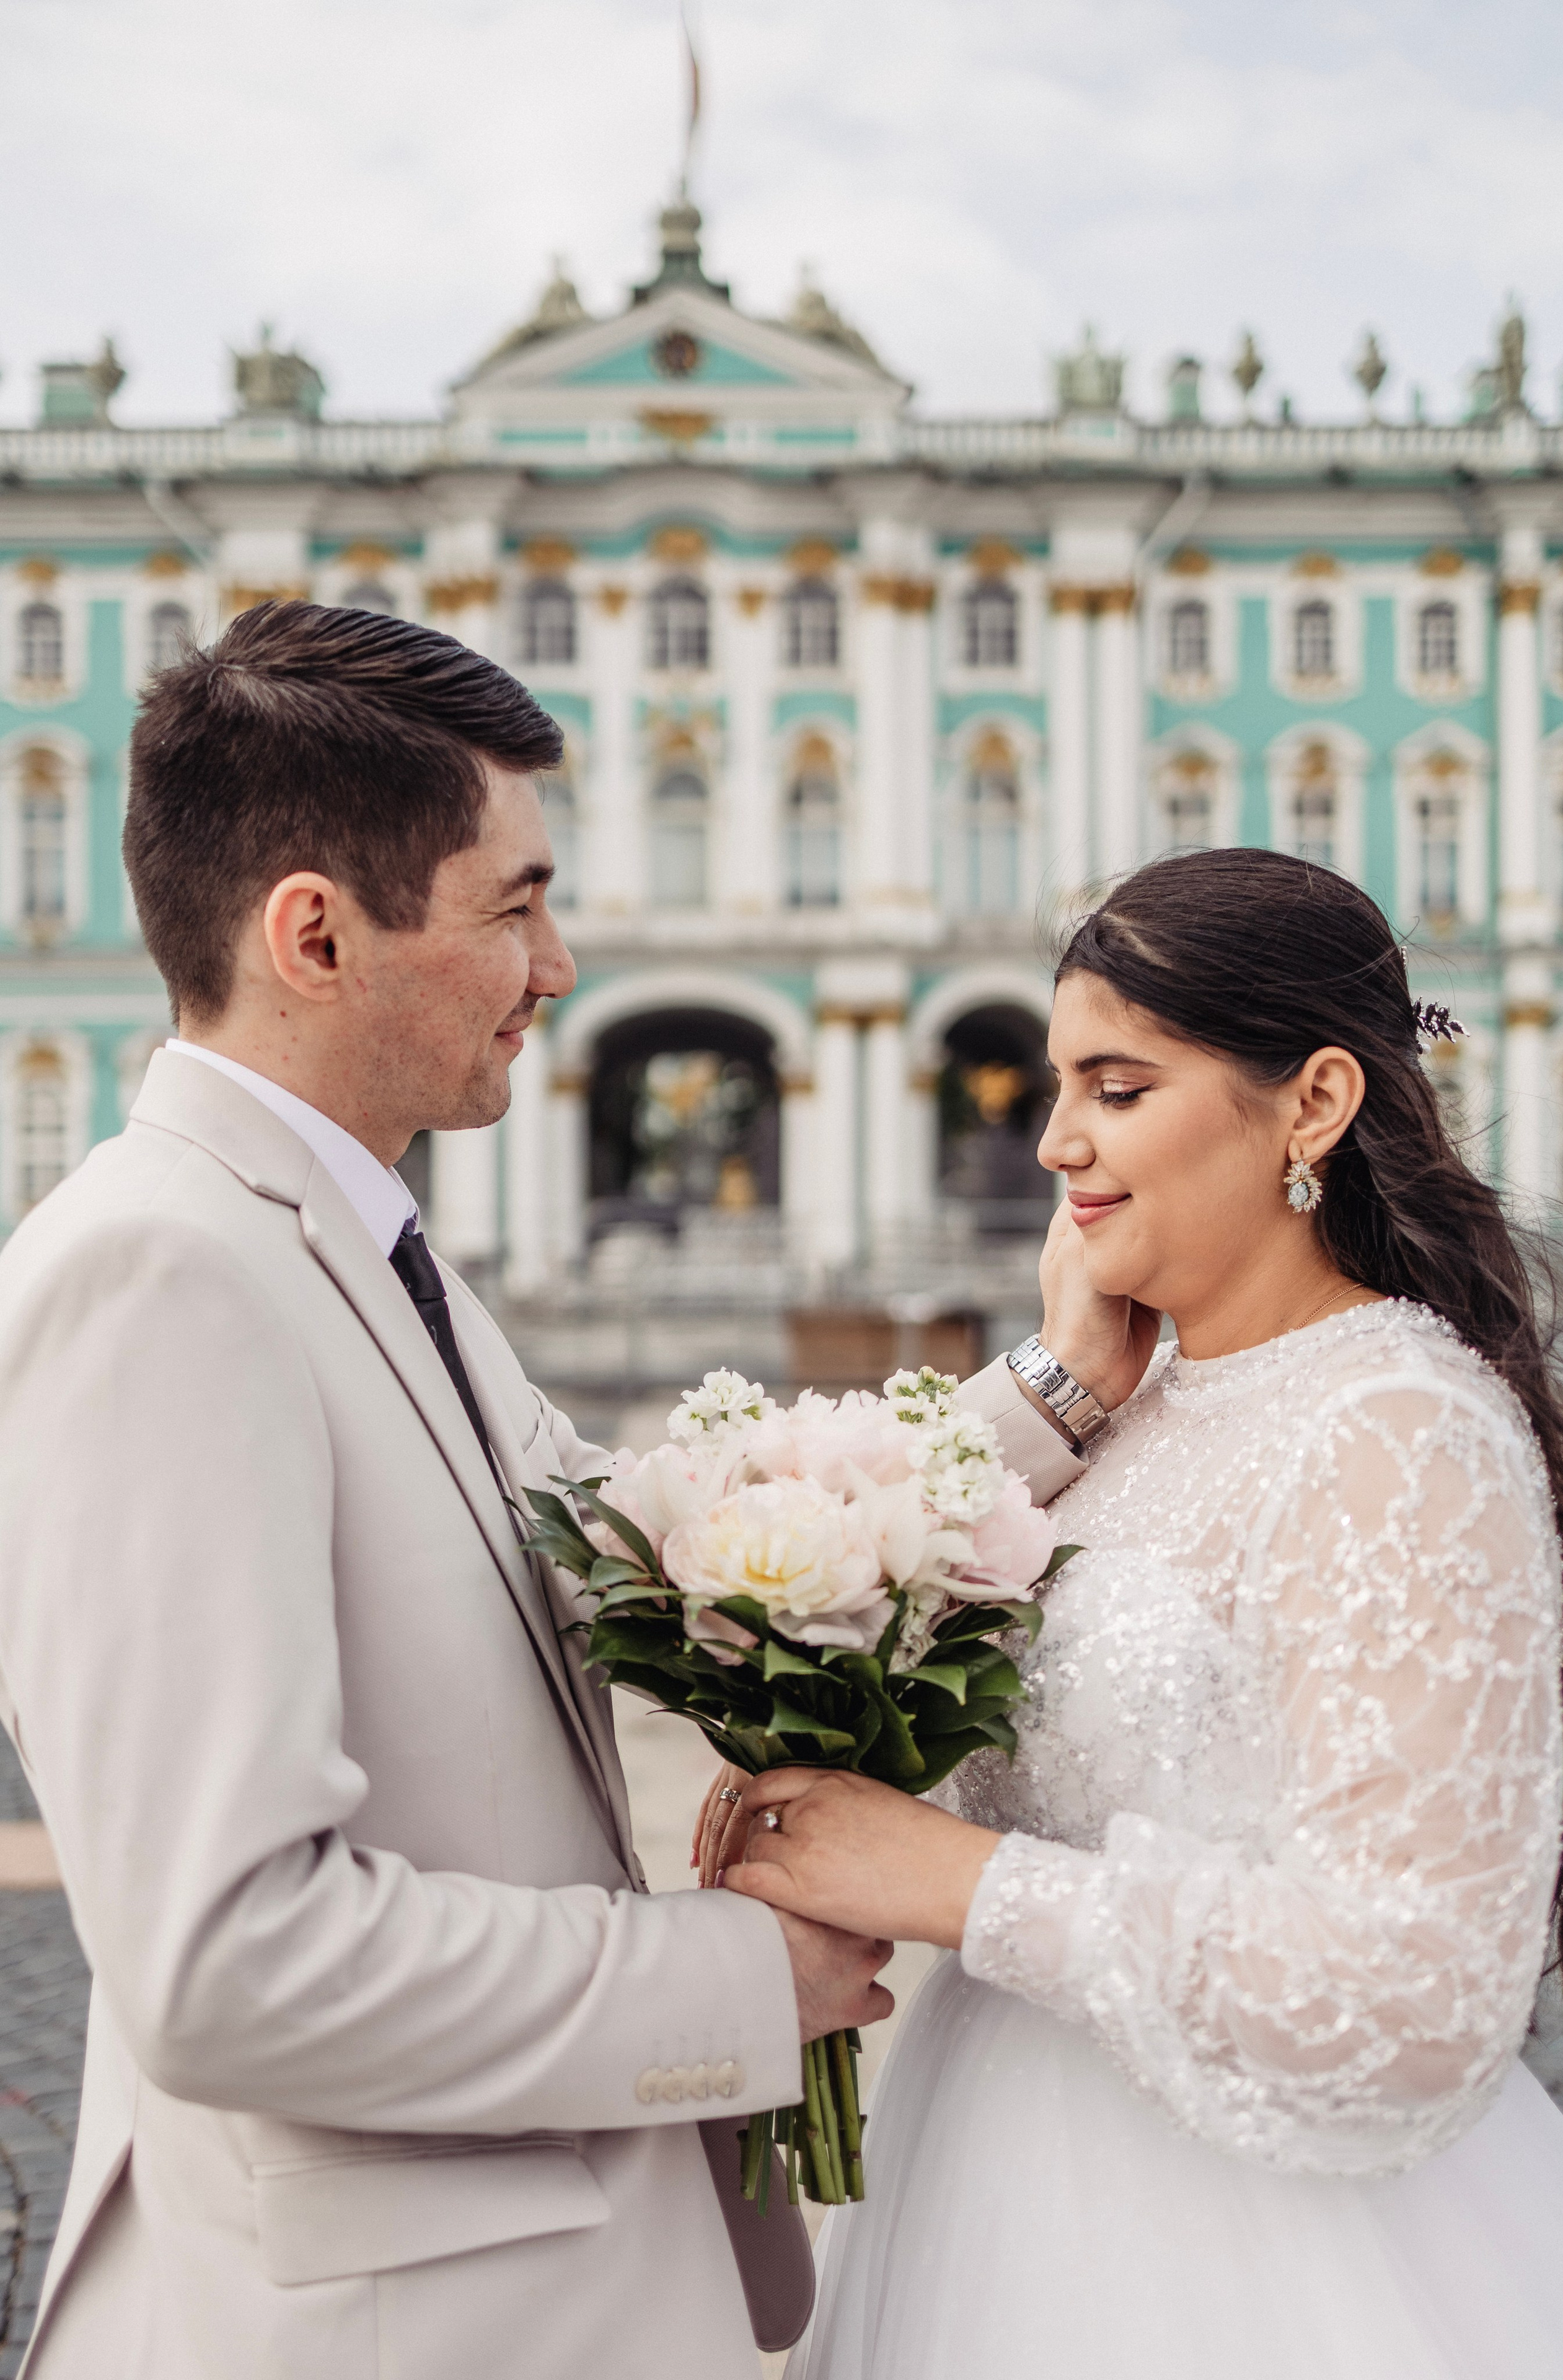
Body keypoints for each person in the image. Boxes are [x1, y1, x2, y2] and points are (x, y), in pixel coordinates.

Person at [0, 602, 906, 2380]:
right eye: (514, 906)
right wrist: (746, 1981)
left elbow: (641, 1536)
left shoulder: (348, 1236)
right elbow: (233, 1959)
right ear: (316, 936)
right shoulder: (159, 1274)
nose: (557, 965)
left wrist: (1047, 1414)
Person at [710, 848, 1563, 2380]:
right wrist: (1056, 1383)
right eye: (1055, 1086)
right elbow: (831, 1606)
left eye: (1116, 1088)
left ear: (1310, 1105)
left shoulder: (1398, 1431)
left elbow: (1420, 1992)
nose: (1054, 1142)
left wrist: (958, 1883)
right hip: (977, 2196)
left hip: (1260, 2265)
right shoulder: (1130, 1398)